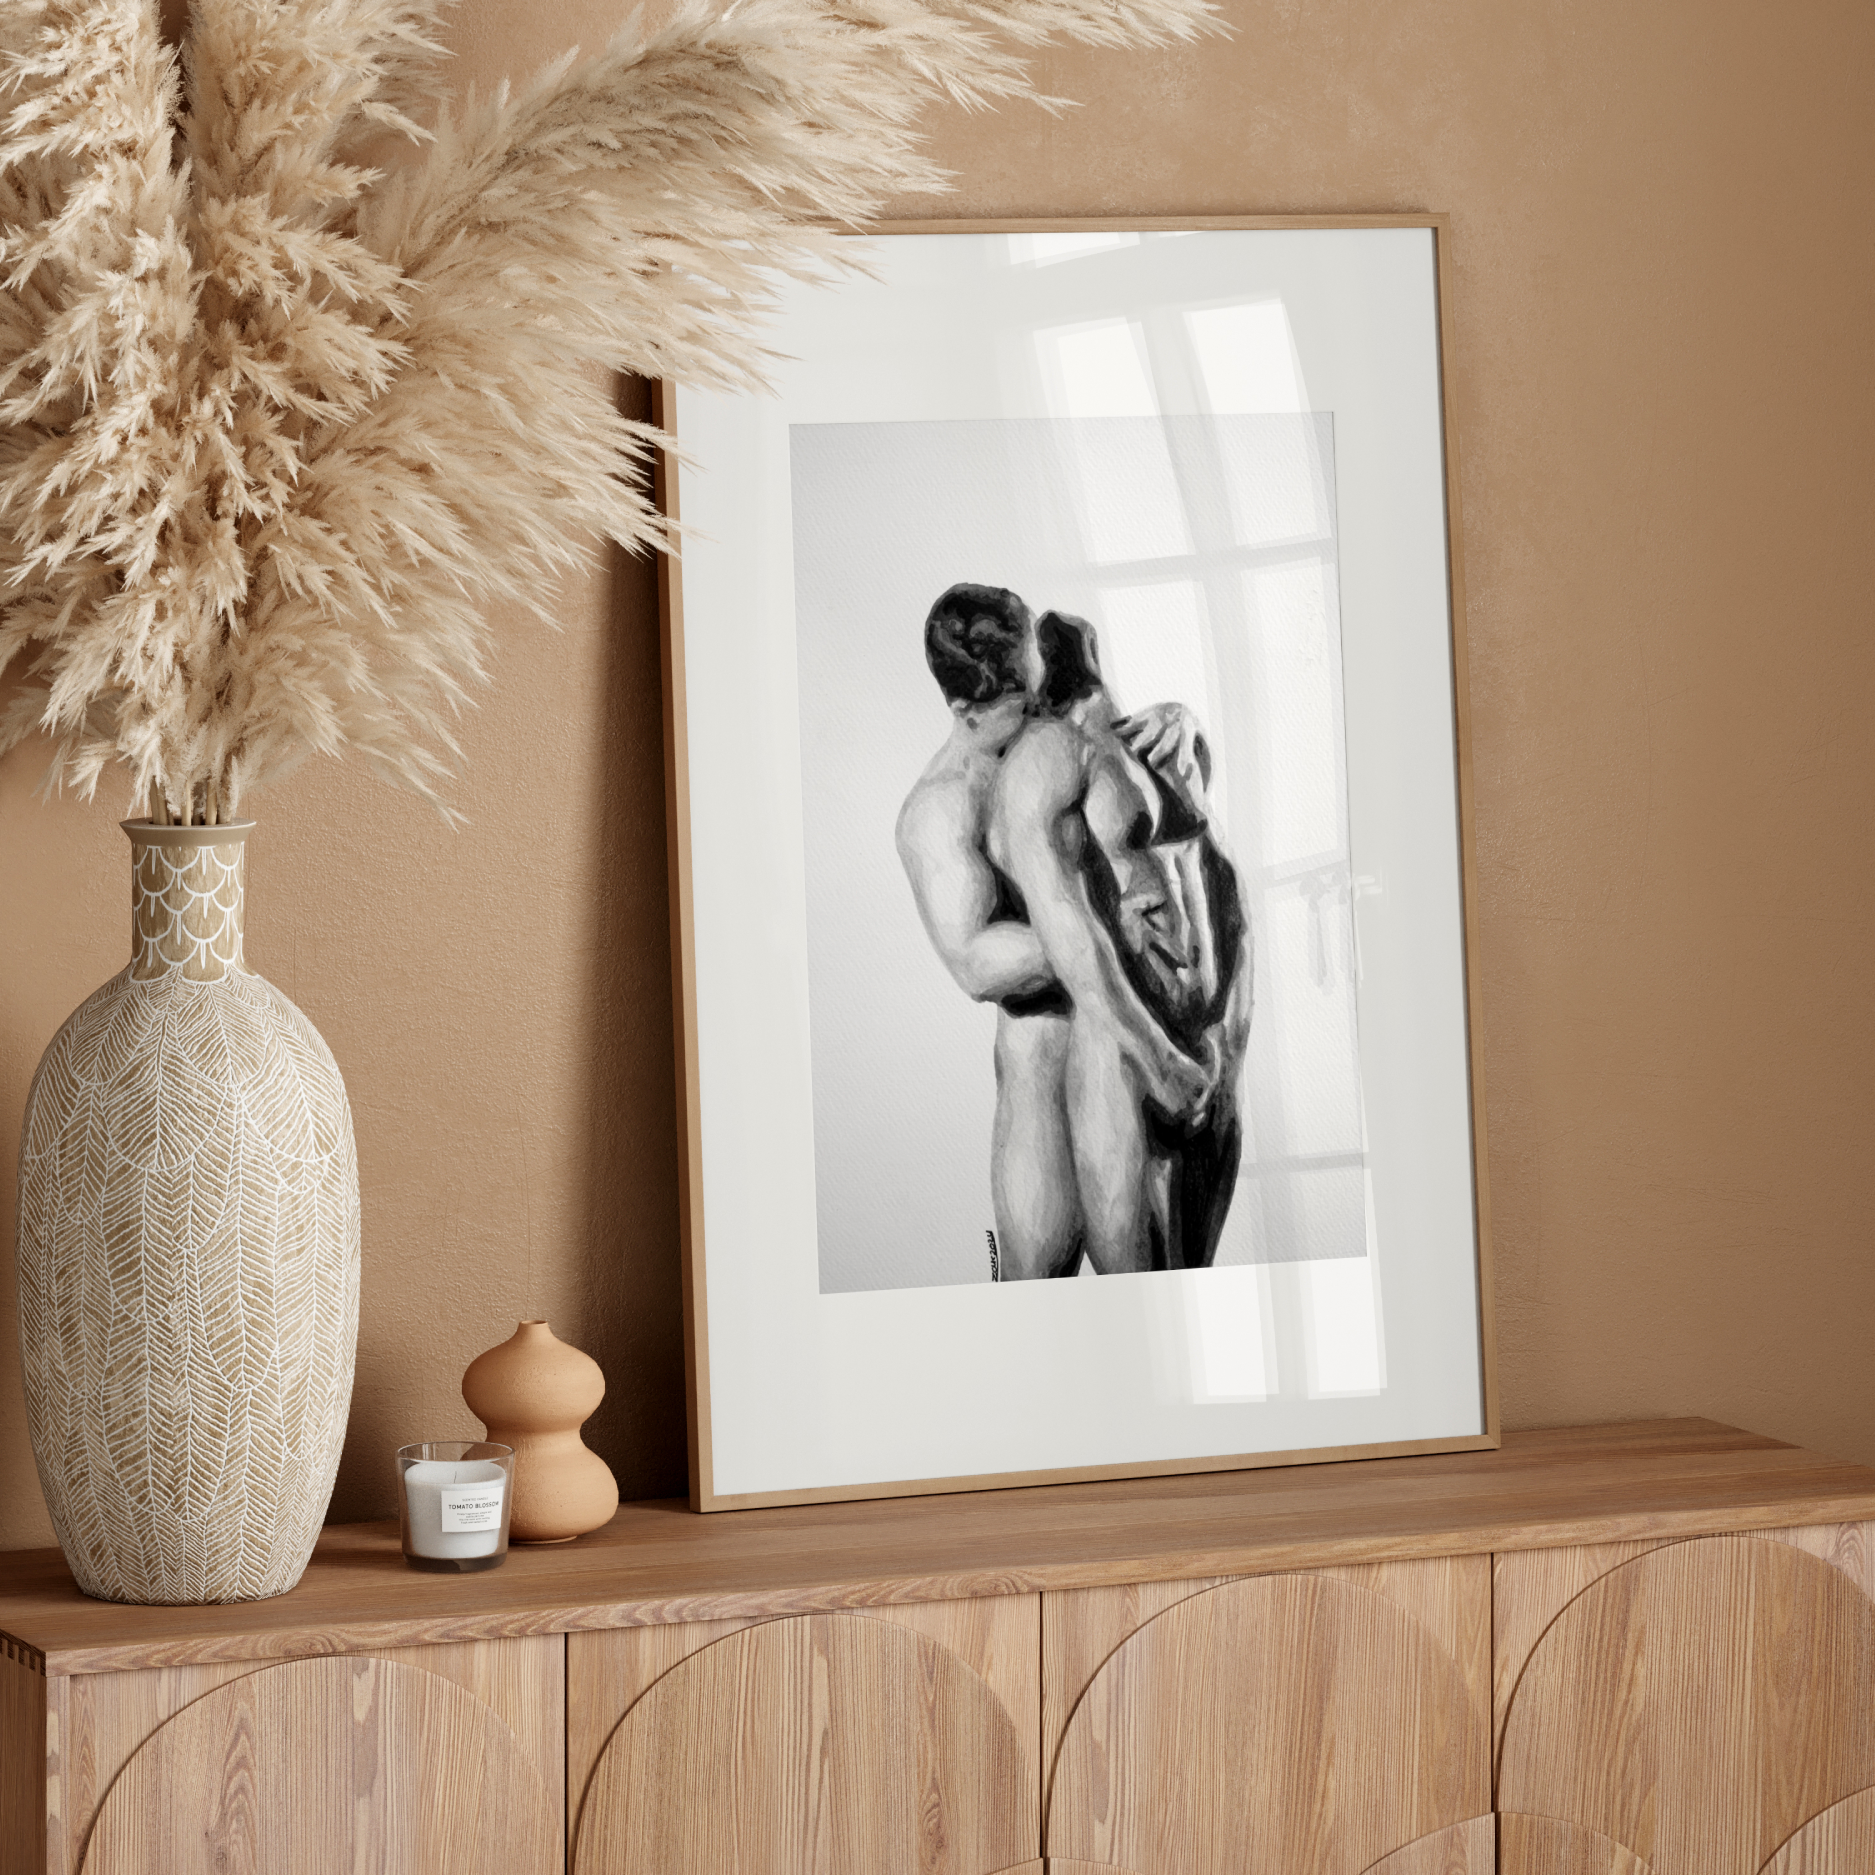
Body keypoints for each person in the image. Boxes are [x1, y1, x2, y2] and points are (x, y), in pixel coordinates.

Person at [990, 609, 1252, 1274]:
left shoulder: (1157, 740)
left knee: (1194, 1282)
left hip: (1213, 1034)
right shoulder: (1044, 763)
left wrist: (1188, 720)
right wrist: (1156, 1055)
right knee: (1139, 1292)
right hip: (1129, 1045)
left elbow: (1218, 884)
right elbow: (1067, 931)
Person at [895, 584, 1084, 1280]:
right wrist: (1106, 933)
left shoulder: (1045, 712)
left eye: (1035, 694)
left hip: (1133, 1058)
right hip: (1045, 1086)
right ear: (962, 708)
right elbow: (976, 964)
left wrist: (1179, 725)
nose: (1036, 715)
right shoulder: (938, 809)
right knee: (1042, 1306)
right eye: (1016, 708)